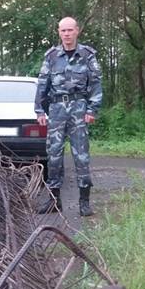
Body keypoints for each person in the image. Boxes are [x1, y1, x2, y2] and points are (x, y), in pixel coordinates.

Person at [34, 17, 102, 217]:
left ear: (77, 31)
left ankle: (84, 202)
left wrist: (92, 109)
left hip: (79, 108)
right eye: (63, 30)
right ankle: (54, 201)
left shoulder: (87, 55)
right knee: (54, 155)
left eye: (70, 30)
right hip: (56, 110)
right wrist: (39, 110)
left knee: (81, 155)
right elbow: (42, 83)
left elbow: (96, 84)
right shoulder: (52, 56)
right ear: (59, 32)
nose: (67, 34)